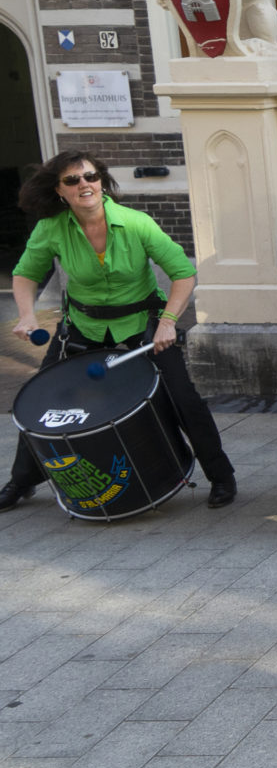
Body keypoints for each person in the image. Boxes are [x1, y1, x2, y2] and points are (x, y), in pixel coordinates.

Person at [3, 152, 237, 512]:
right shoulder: (51, 228)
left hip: (142, 324)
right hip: (82, 328)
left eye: (90, 177)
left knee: (184, 399)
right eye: (72, 180)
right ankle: (21, 481)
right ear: (60, 190)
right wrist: (26, 316)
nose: (84, 184)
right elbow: (25, 274)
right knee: (43, 402)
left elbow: (183, 274)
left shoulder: (136, 222)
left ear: (101, 181)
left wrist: (168, 322)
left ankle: (221, 476)